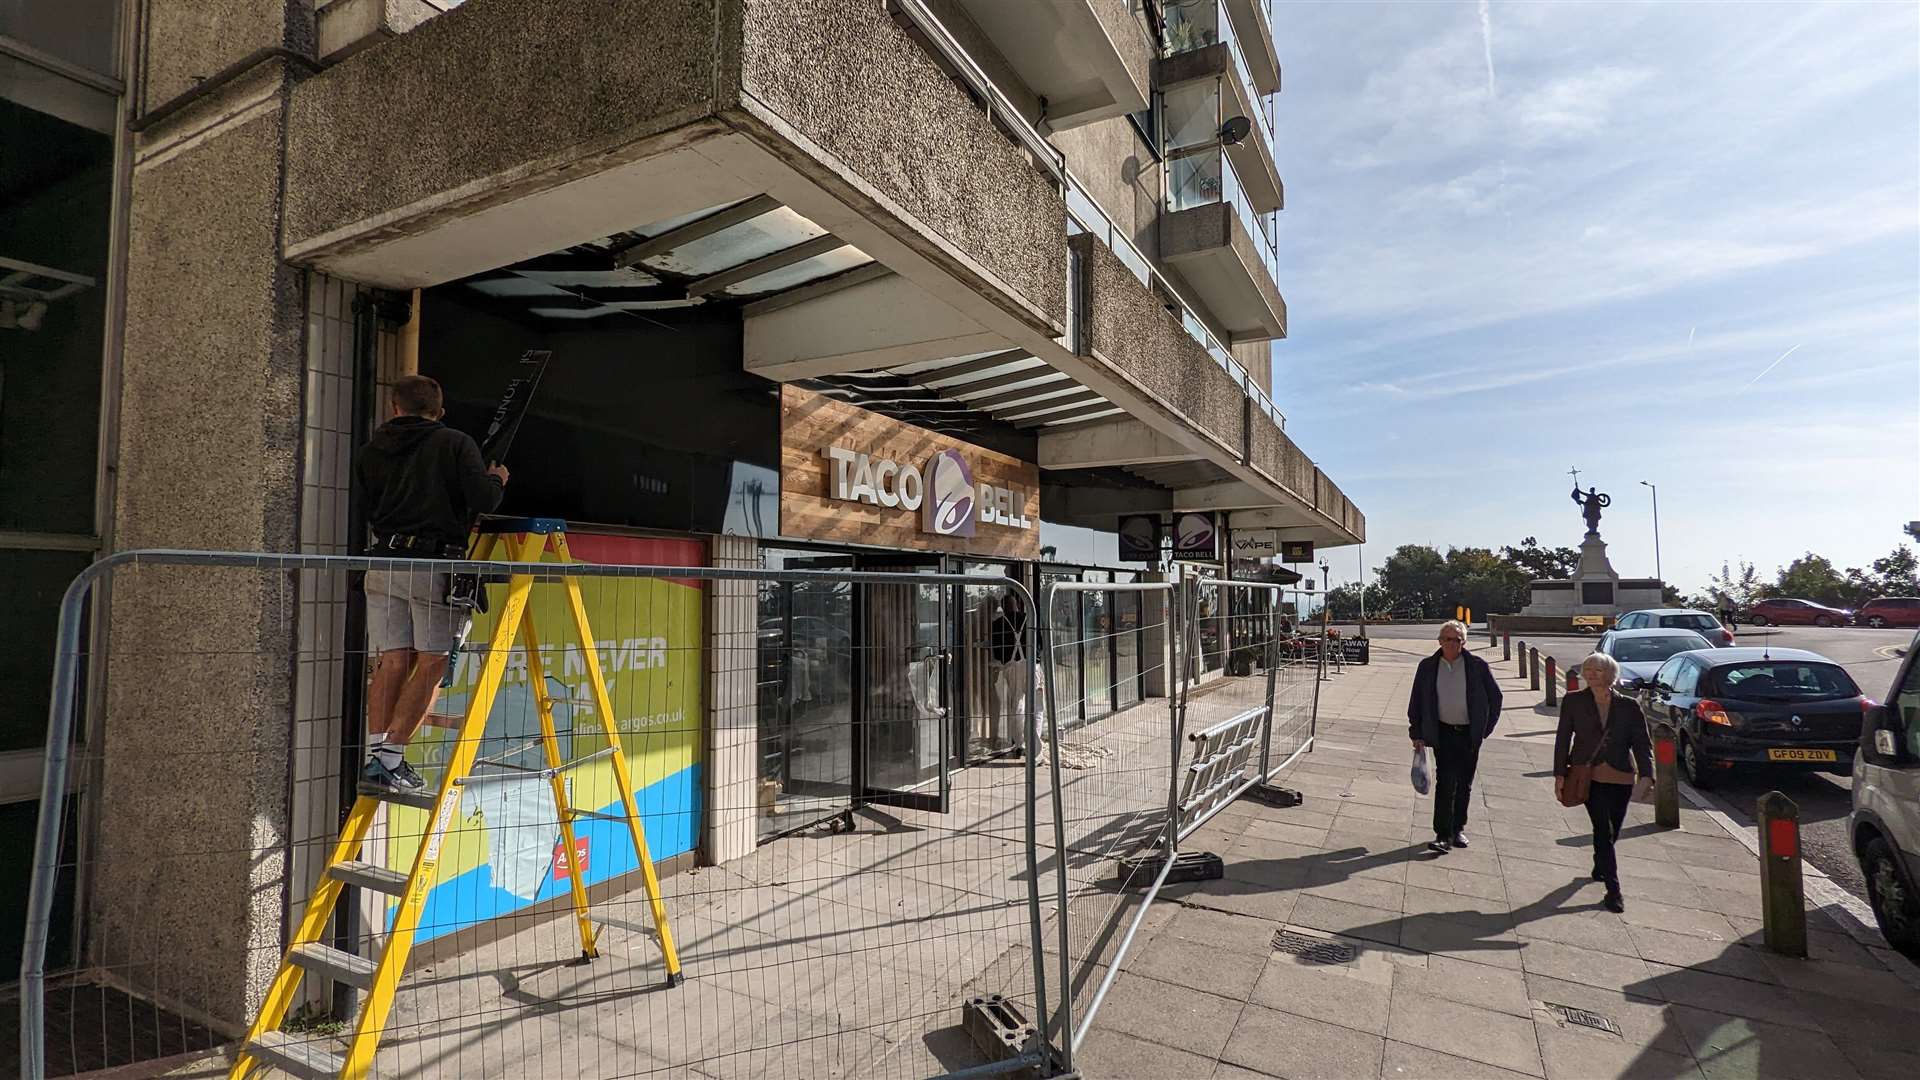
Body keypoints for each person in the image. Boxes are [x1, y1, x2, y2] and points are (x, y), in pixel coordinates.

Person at [354, 375, 508, 791]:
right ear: (438, 411)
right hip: (433, 565)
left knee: (393, 661)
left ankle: (374, 755)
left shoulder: (370, 452)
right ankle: (390, 759)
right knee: (434, 661)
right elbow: (484, 500)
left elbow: (366, 506)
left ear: (394, 407)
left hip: (382, 563)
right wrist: (496, 479)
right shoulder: (455, 443)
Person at [1554, 652, 1655, 913]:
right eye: (1587, 669)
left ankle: (1601, 863)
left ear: (1610, 674)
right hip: (1588, 775)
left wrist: (1647, 774)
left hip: (1621, 775)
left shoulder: (1629, 706)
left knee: (1613, 830)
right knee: (1603, 829)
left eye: (1597, 670)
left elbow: (1642, 743)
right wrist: (1559, 775)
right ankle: (1614, 889)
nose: (1590, 674)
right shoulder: (1573, 701)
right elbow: (1563, 739)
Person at [1408, 620, 1504, 853]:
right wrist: (1417, 732)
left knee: (1465, 784)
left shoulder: (1477, 666)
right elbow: (1417, 702)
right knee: (1445, 782)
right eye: (1447, 639)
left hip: (1469, 735)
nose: (1451, 643)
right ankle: (1442, 834)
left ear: (1464, 642)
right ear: (1439, 641)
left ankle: (1458, 828)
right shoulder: (1428, 667)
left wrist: (1484, 729)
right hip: (1442, 732)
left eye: (1456, 639)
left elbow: (1496, 698)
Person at [987, 591, 1029, 749]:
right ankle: (1033, 740)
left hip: (1012, 665)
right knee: (1035, 704)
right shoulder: (1028, 617)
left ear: (1003, 608)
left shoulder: (998, 623)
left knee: (1017, 703)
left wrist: (1000, 662)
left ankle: (1019, 743)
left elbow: (997, 649)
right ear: (1017, 605)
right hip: (1031, 663)